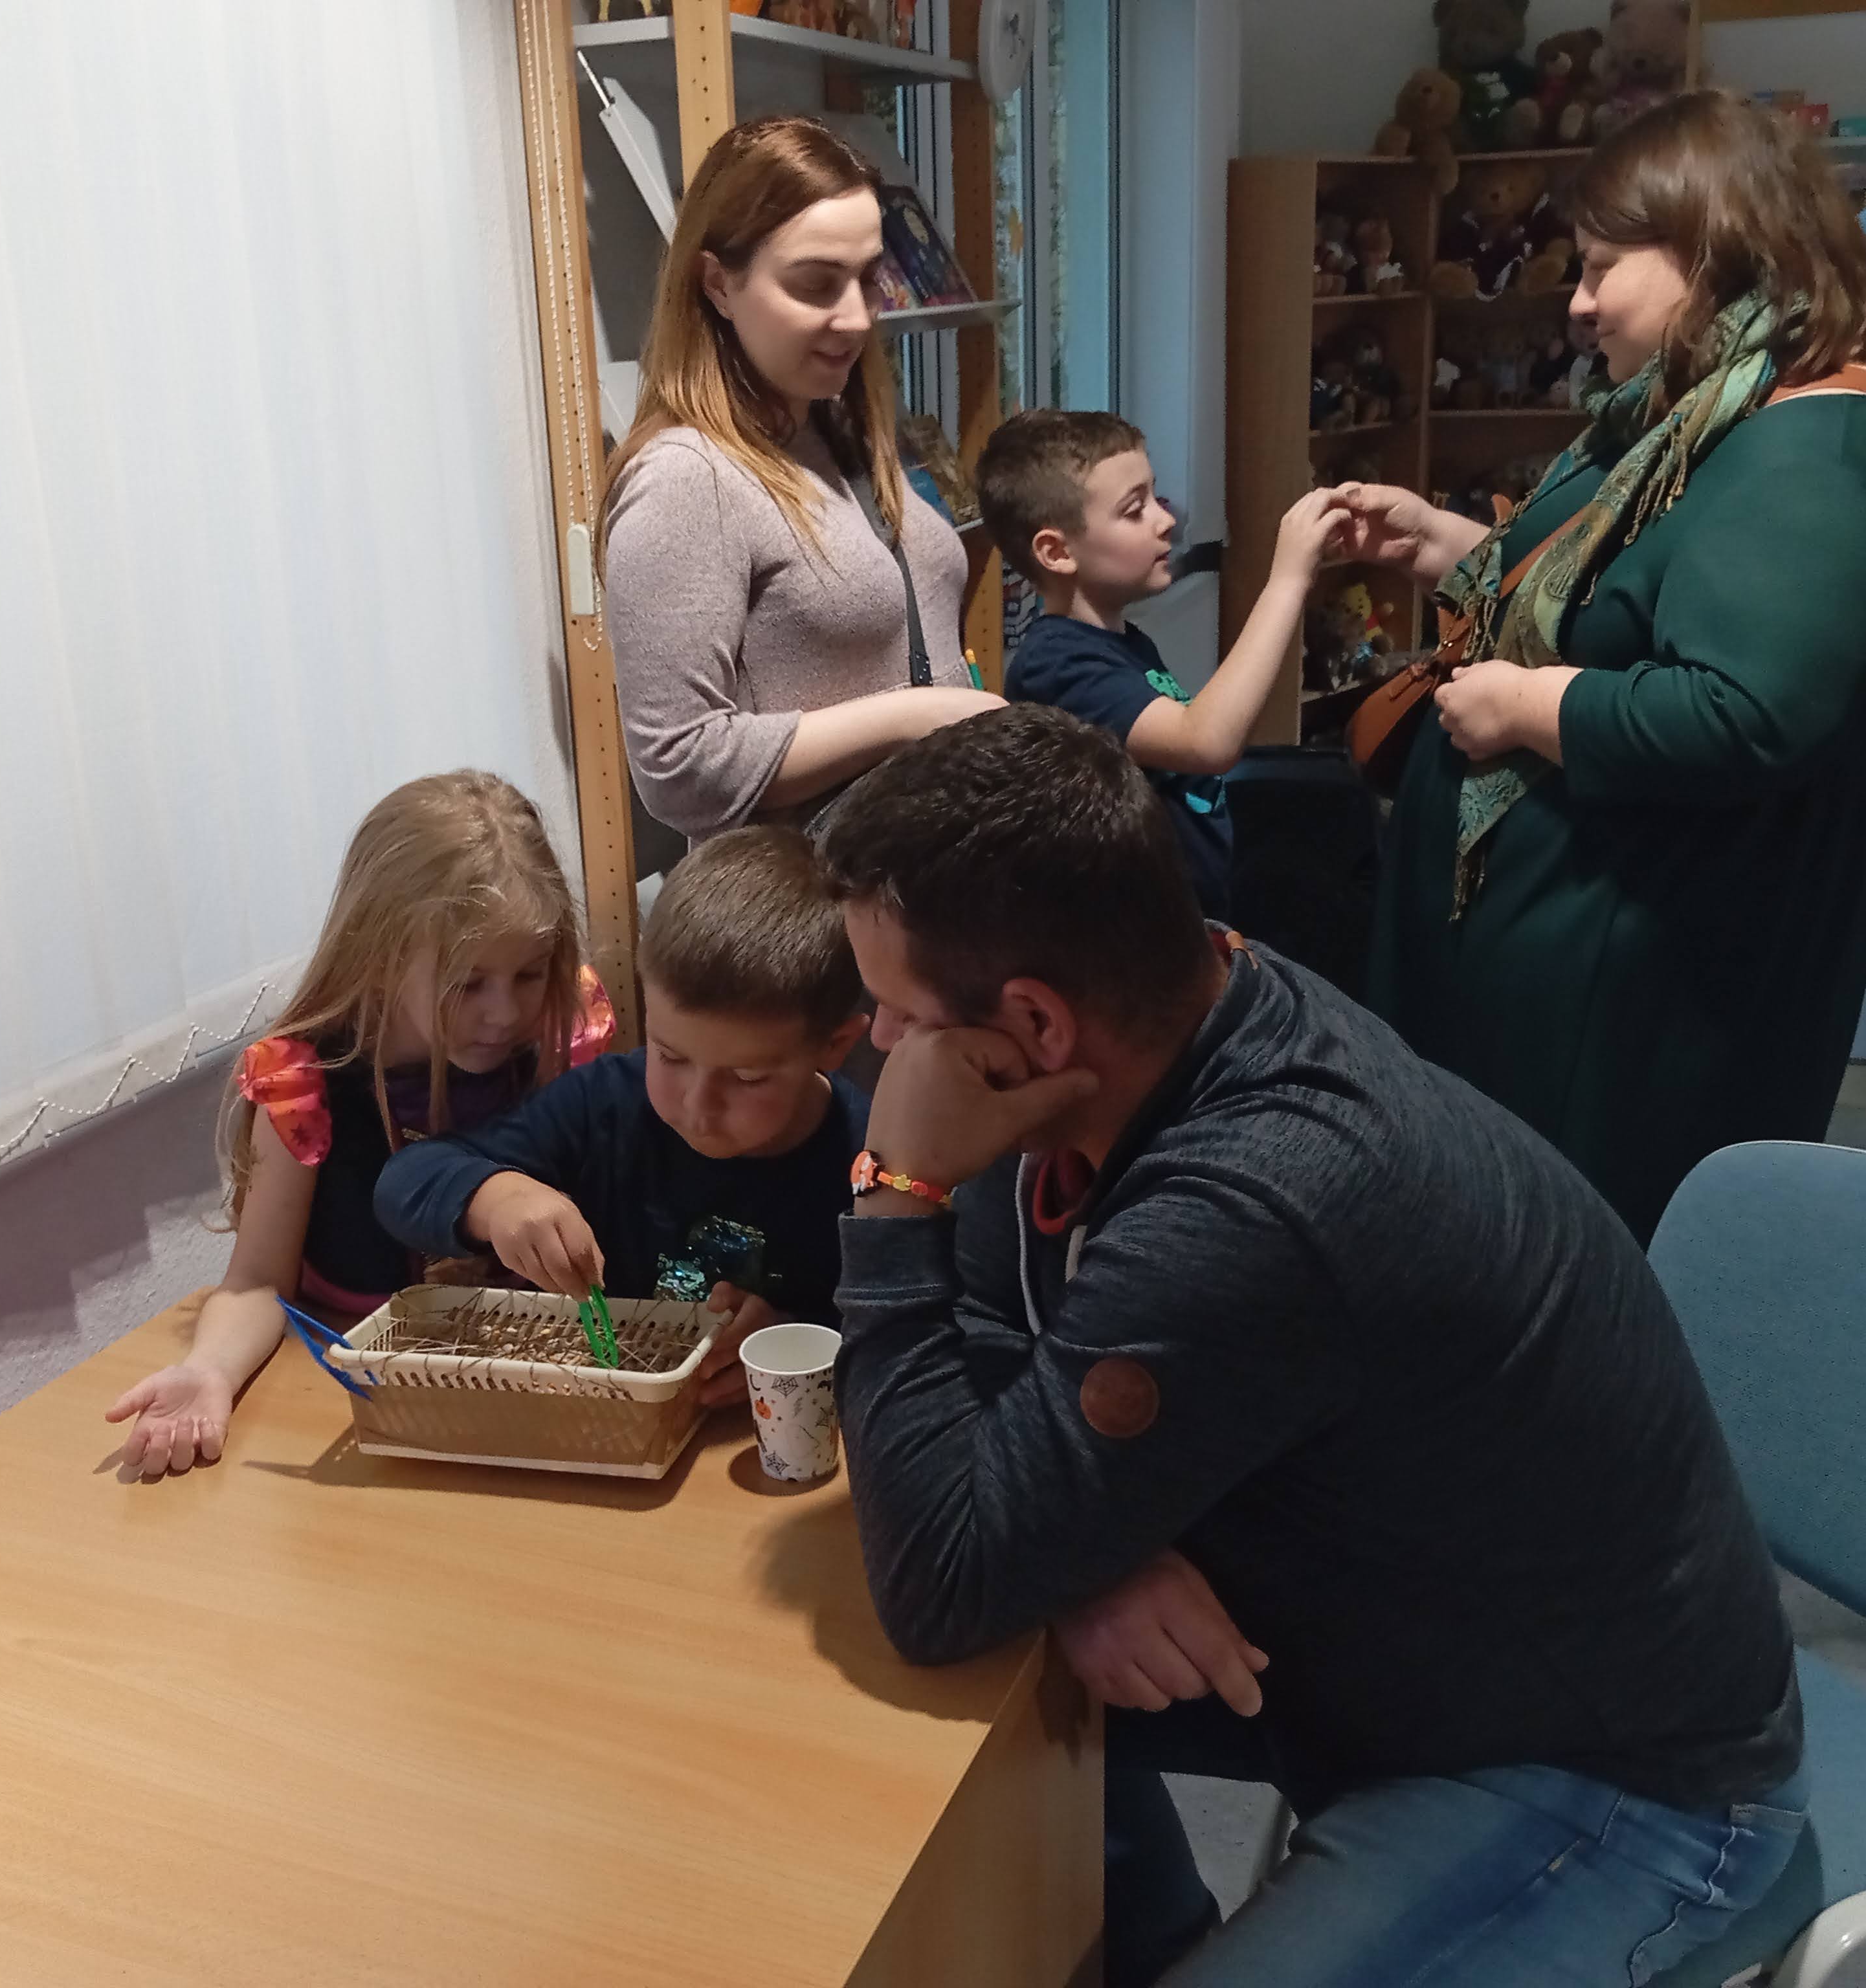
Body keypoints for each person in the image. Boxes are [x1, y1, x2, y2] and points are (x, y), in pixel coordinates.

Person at [814, 703, 1805, 1988]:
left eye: (895, 1015)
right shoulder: (1178, 1006)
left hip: (1616, 1785)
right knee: (929, 1731)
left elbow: (940, 1580)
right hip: (1396, 1667)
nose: (880, 1050)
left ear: (1034, 1026)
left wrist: (896, 1187)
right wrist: (1081, 1554)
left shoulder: (1255, 1198)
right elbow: (995, 1340)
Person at [1342, 92, 1866, 1244]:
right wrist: (1455, 547)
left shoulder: (1797, 453)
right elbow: (1625, 595)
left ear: (1709, 248)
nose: (1577, 303)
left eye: (1599, 268)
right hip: (1567, 979)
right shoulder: (1698, 410)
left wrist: (1533, 706)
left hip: (1629, 1015)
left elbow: (1744, 712)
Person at [105, 773, 615, 1476]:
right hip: (358, 1409)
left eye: (529, 974)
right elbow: (257, 1285)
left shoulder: (564, 1035)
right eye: (466, 983)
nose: (504, 1012)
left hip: (532, 1399)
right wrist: (208, 1371)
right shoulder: (303, 1082)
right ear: (380, 958)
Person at [598, 115, 1001, 843]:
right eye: (815, 285)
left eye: (868, 279)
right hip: (812, 899)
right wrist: (917, 716)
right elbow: (677, 767)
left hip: (921, 873)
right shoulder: (687, 478)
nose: (855, 318)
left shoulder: (838, 432)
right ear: (718, 285)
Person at [376, 828, 871, 1390]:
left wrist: (800, 1343)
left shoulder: (871, 1165)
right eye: (671, 1056)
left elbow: (902, 1336)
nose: (698, 1105)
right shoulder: (605, 1103)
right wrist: (499, 1199)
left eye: (747, 1078)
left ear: (834, 1046)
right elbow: (404, 1181)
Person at [976, 408, 1346, 919]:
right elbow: (1207, 740)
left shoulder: (1123, 642)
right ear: (1056, 552)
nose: (1165, 519)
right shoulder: (1056, 667)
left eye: (1155, 496)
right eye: (1134, 510)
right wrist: (1287, 582)